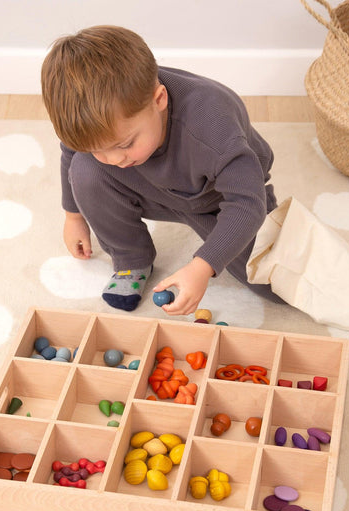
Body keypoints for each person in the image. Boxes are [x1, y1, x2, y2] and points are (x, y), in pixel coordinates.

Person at [41, 25, 283, 315]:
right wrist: (73, 215)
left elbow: (246, 203)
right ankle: (132, 258)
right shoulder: (105, 133)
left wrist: (202, 266)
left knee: (273, 284)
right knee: (85, 170)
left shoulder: (212, 122)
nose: (114, 159)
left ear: (159, 100)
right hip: (153, 186)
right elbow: (72, 151)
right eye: (98, 149)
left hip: (218, 201)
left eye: (125, 143)